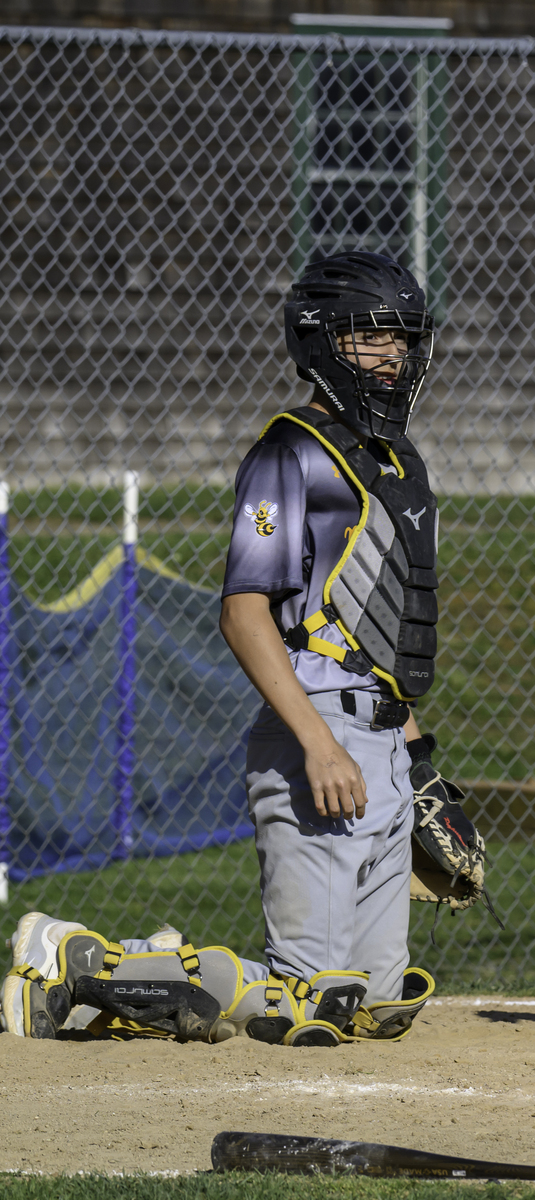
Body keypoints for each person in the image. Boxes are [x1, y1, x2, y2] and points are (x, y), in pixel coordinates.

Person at [3, 251, 483, 1045]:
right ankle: (74, 962)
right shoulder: (288, 454)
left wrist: (418, 759)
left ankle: (157, 970)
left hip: (382, 741)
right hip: (315, 732)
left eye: (403, 337)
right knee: (310, 997)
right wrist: (318, 742)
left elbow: (379, 641)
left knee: (377, 1002)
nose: (393, 354)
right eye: (370, 337)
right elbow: (244, 612)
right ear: (321, 341)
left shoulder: (400, 464)